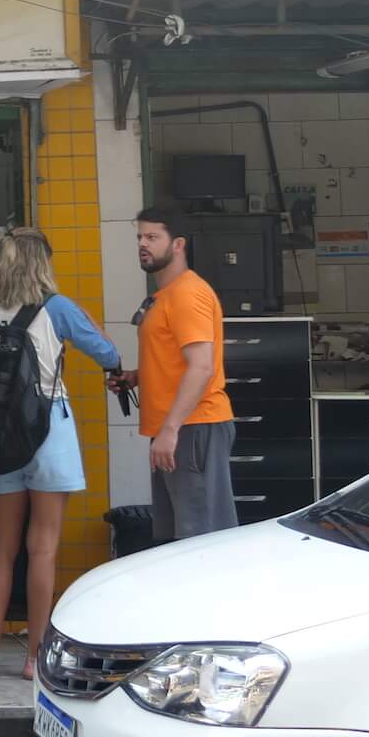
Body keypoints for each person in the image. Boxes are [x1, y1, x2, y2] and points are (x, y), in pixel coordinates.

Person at [0, 229, 121, 682]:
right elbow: (109, 353)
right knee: (42, 549)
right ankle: (33, 659)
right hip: (48, 431)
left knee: (0, 551)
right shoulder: (57, 308)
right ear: (42, 264)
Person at [113, 207, 239, 540]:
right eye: (140, 236)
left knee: (201, 538)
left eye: (153, 237)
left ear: (178, 244)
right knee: (175, 542)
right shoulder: (164, 295)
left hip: (192, 427)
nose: (143, 243)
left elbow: (201, 366)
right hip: (177, 429)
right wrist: (138, 376)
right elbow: (179, 361)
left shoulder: (187, 293)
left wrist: (170, 430)